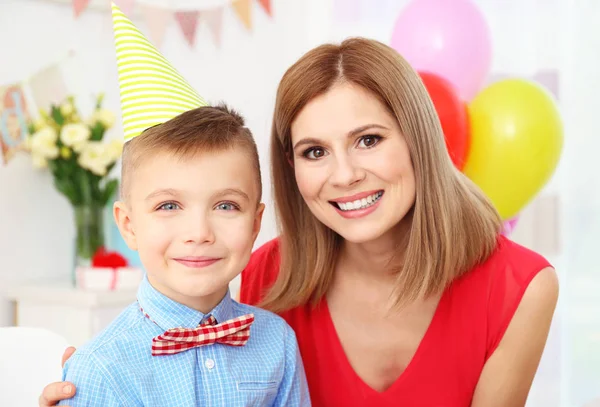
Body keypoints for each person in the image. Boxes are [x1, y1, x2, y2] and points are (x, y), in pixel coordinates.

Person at [40, 37, 558, 407]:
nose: (346, 174)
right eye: (315, 151)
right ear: (291, 168)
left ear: (418, 139)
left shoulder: (520, 288)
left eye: (369, 139)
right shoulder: (270, 274)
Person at [52, 4, 310, 407]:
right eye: (169, 206)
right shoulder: (100, 370)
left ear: (256, 221)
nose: (199, 233)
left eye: (226, 206)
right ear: (129, 224)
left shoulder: (277, 344)